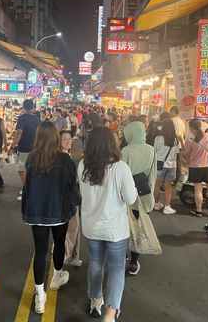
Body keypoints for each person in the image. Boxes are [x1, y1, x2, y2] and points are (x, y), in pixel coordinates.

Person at [78, 126, 137, 321]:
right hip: (115, 230)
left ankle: (95, 300)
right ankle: (110, 313)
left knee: (96, 262)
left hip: (91, 226)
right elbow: (130, 198)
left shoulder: (82, 166)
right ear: (112, 143)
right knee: (117, 267)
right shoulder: (120, 168)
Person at [21, 122, 77, 314]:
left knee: (40, 251)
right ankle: (56, 278)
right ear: (55, 138)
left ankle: (40, 296)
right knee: (59, 244)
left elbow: (27, 185)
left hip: (36, 212)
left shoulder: (32, 158)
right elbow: (72, 186)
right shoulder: (65, 160)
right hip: (59, 211)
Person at [121, 121, 156, 275]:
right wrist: (150, 194)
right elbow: (153, 176)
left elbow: (121, 178)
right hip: (145, 195)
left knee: (125, 229)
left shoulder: (125, 151)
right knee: (139, 230)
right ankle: (134, 262)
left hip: (128, 199)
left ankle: (122, 258)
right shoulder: (151, 150)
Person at [9, 99, 40, 200]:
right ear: (33, 108)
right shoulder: (36, 118)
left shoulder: (22, 118)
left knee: (22, 170)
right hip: (34, 148)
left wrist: (12, 147)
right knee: (30, 170)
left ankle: (28, 193)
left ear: (23, 107)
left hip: (24, 148)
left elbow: (18, 133)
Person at [60, 131, 82, 267]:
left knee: (74, 227)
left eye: (69, 139)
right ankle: (67, 255)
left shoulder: (72, 157)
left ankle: (73, 255)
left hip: (73, 196)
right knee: (71, 227)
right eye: (64, 139)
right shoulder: (61, 158)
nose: (68, 142)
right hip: (66, 196)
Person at [183, 119, 208, 217]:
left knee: (198, 190)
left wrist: (188, 162)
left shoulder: (190, 140)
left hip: (195, 167)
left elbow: (186, 154)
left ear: (191, 128)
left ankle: (198, 211)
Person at [154, 119, 179, 215]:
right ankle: (167, 207)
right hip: (171, 165)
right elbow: (176, 154)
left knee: (157, 185)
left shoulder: (158, 138)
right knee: (168, 187)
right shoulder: (175, 139)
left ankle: (156, 204)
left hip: (159, 164)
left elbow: (154, 151)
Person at [169, 106, 186, 182]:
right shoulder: (181, 121)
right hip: (180, 145)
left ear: (174, 112)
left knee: (171, 162)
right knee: (178, 162)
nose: (169, 113)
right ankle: (177, 178)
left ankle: (170, 178)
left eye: (170, 111)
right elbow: (184, 134)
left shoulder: (170, 121)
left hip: (172, 145)